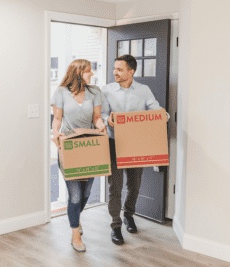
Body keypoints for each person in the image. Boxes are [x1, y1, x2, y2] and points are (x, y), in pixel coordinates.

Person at [101, 54, 169, 245]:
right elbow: (102, 113)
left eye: (120, 69)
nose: (115, 72)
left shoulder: (143, 90)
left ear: (131, 72)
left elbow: (155, 109)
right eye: (114, 68)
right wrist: (108, 119)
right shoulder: (106, 90)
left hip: (136, 144)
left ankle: (128, 214)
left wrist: (164, 116)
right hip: (113, 143)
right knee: (114, 186)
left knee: (134, 184)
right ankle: (115, 225)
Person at [50, 59, 106, 252]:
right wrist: (55, 132)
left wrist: (101, 126)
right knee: (74, 196)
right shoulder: (61, 92)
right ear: (78, 72)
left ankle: (76, 218)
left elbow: (97, 118)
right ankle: (75, 235)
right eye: (88, 71)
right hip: (69, 147)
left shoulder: (95, 92)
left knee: (86, 193)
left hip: (89, 146)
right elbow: (57, 120)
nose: (91, 74)